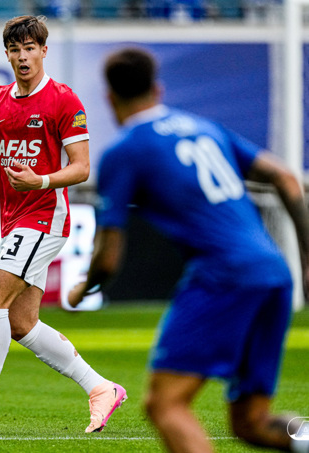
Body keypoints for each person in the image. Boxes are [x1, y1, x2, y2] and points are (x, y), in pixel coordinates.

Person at [69, 46, 309, 452]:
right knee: (251, 422)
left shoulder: (125, 152)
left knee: (165, 405)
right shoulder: (204, 128)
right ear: (158, 89)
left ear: (109, 98)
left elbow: (108, 259)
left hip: (223, 275)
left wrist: (83, 288)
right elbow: (286, 177)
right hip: (274, 272)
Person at [0, 15, 127, 435]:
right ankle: (101, 388)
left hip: (46, 216)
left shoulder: (63, 99)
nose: (23, 57)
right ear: (7, 55)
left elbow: (81, 167)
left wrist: (39, 180)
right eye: (15, 50)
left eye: (30, 48)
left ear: (43, 51)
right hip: (14, 220)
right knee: (21, 322)